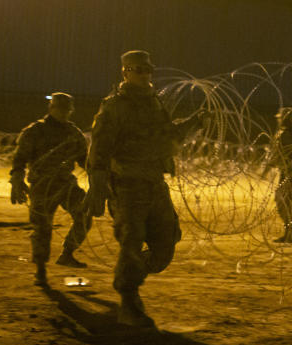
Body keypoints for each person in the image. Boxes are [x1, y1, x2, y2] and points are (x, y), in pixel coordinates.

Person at [83, 50, 204, 327]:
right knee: (132, 241)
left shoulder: (154, 103)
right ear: (125, 72)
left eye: (147, 69)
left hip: (154, 183)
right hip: (127, 186)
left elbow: (167, 136)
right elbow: (99, 150)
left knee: (166, 243)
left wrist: (193, 123)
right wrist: (97, 188)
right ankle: (128, 299)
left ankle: (132, 274)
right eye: (137, 69)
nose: (143, 74)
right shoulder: (114, 106)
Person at [10, 92, 93, 285]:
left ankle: (67, 253)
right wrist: (17, 179)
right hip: (42, 186)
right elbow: (19, 159)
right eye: (61, 109)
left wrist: (99, 176)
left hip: (66, 184)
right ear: (51, 108)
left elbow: (85, 160)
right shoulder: (35, 131)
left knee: (85, 213)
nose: (64, 113)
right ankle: (40, 270)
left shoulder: (73, 133)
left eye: (67, 110)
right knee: (42, 228)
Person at [266, 107, 292, 243]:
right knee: (283, 200)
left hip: (291, 171)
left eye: (281, 117)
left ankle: (290, 231)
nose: (279, 119)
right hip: (286, 171)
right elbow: (277, 153)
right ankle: (290, 229)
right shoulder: (287, 133)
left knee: (283, 200)